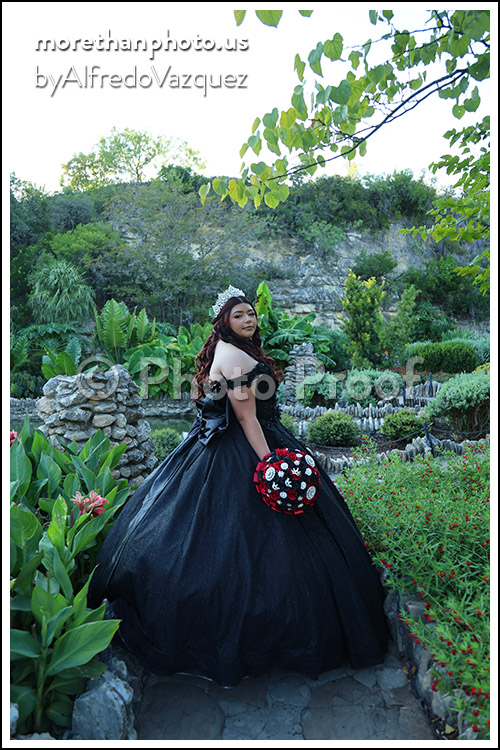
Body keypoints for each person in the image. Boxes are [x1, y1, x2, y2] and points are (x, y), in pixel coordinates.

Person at [88, 286, 389, 687]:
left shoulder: (229, 349)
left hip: (237, 441)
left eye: (251, 313)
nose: (248, 320)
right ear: (224, 322)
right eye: (239, 315)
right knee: (239, 547)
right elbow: (247, 419)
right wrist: (273, 465)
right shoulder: (232, 356)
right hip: (245, 447)